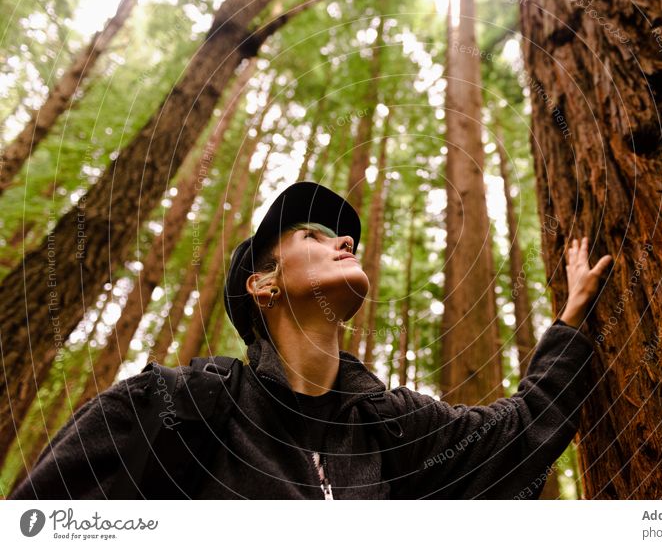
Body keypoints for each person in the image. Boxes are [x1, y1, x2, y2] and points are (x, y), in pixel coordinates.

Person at [9, 181, 612, 499]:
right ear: (264, 284)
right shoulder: (168, 407)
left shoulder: (392, 429)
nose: (344, 241)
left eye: (344, 237)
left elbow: (520, 432)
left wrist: (572, 319)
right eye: (314, 235)